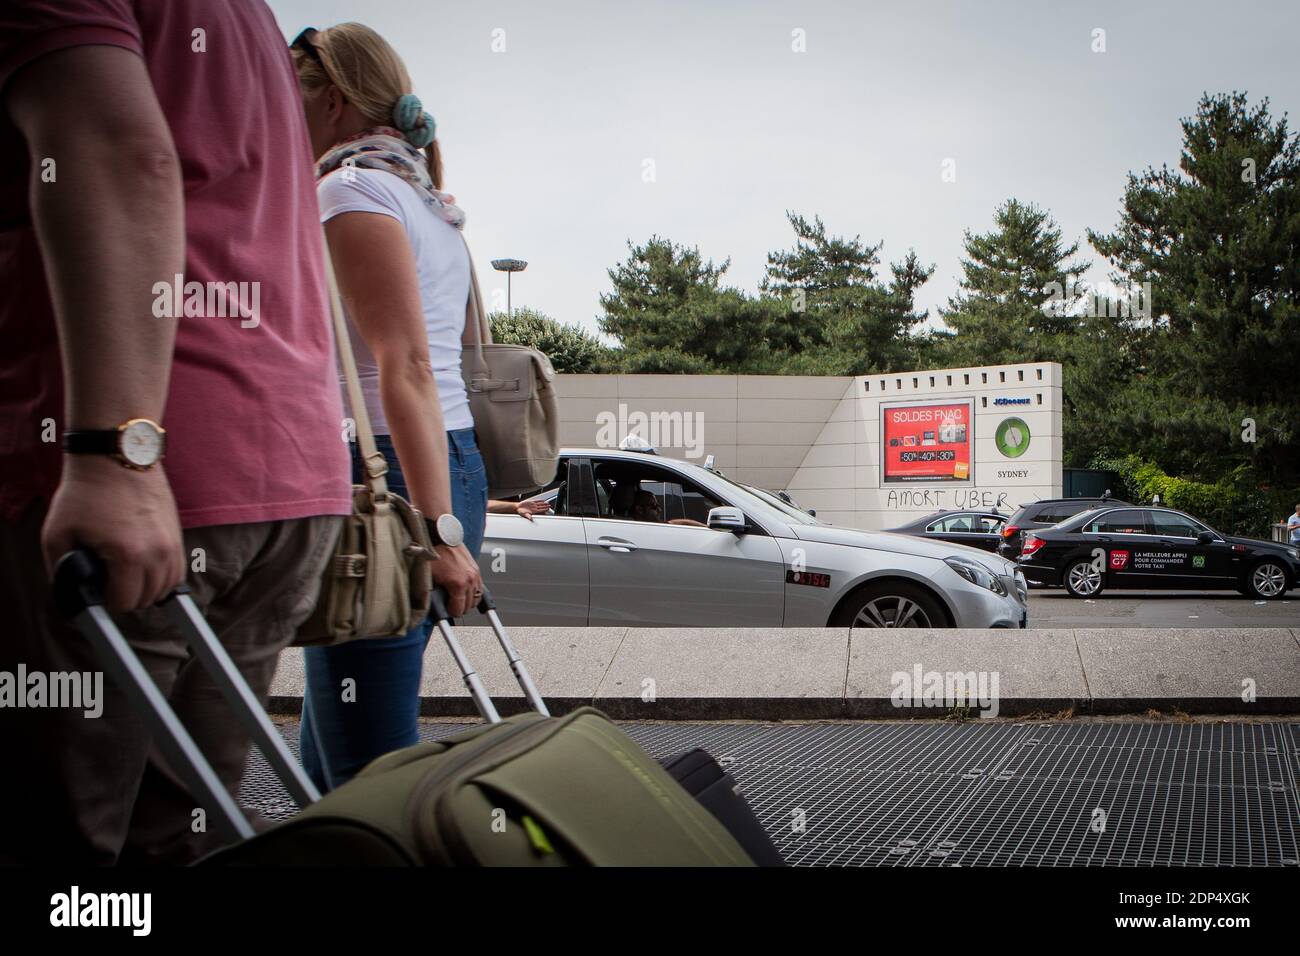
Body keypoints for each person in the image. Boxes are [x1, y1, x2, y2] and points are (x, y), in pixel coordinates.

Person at [0, 0, 351, 865]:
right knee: (177, 834)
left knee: (62, 848)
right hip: (281, 470)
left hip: (138, 461)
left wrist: (116, 453)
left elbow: (117, 154)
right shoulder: (252, 19)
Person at [291, 23, 487, 791]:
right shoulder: (424, 196)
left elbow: (403, 364)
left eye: (288, 97)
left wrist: (434, 531)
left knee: (369, 770)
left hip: (388, 483)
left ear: (331, 99)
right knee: (328, 754)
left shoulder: (348, 190)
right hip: (439, 467)